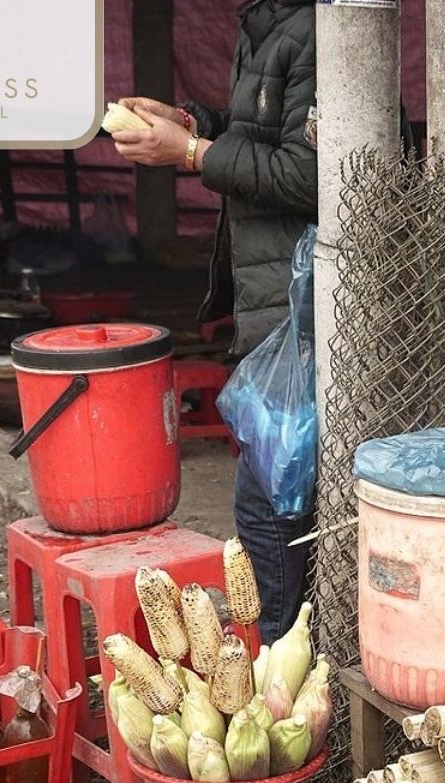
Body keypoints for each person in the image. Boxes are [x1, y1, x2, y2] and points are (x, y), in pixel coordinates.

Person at [110, 0, 317, 644]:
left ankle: (292, 664)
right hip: (274, 298)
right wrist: (193, 122)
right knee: (272, 499)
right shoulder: (264, 24)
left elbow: (317, 174)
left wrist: (195, 151)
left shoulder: (318, 30)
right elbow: (263, 132)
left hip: (309, 307)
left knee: (273, 505)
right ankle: (292, 656)